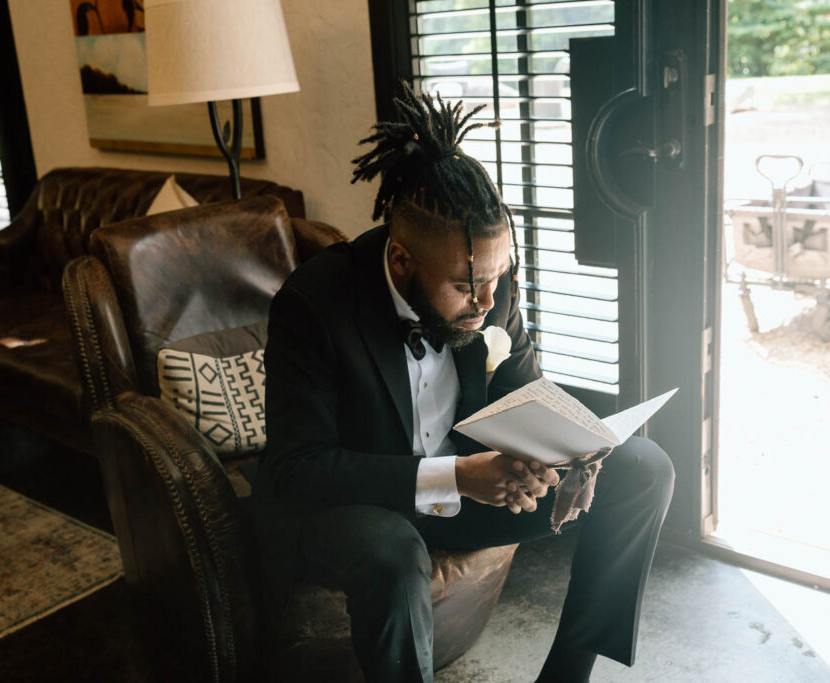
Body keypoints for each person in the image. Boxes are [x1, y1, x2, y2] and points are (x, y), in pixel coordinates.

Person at [253, 84, 674, 683]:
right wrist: (458, 476)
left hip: (468, 493)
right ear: (401, 261)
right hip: (358, 505)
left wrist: (573, 455)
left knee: (644, 468)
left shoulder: (489, 275)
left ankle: (568, 674)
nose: (486, 302)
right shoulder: (313, 305)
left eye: (498, 280)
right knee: (394, 555)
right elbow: (295, 470)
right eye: (465, 286)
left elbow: (525, 387)